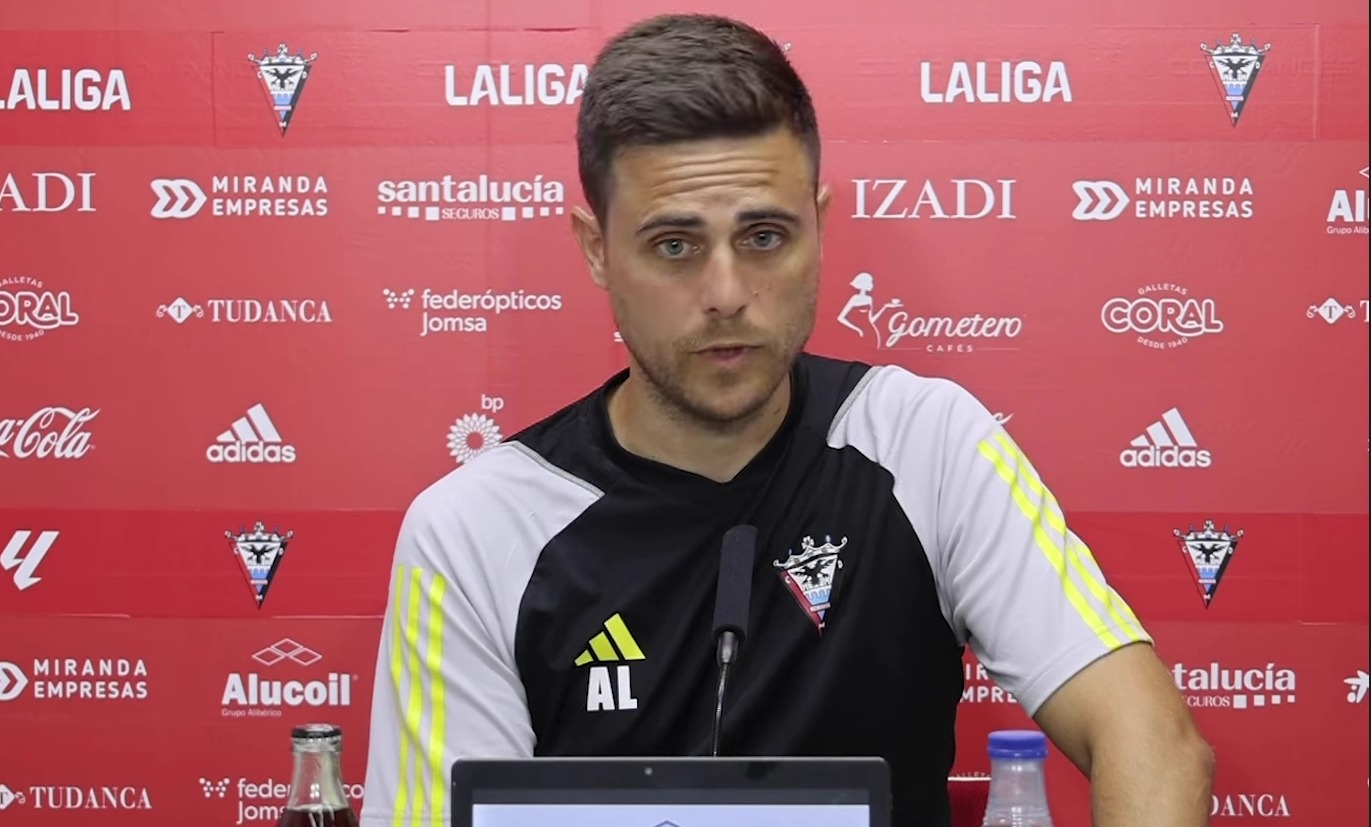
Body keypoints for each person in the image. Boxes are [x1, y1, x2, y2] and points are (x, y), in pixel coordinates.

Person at [359, 13, 1215, 827]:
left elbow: (1153, 741)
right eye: (673, 246)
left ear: (819, 225)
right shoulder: (474, 526)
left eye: (764, 236)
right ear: (596, 249)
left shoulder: (925, 441)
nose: (726, 294)